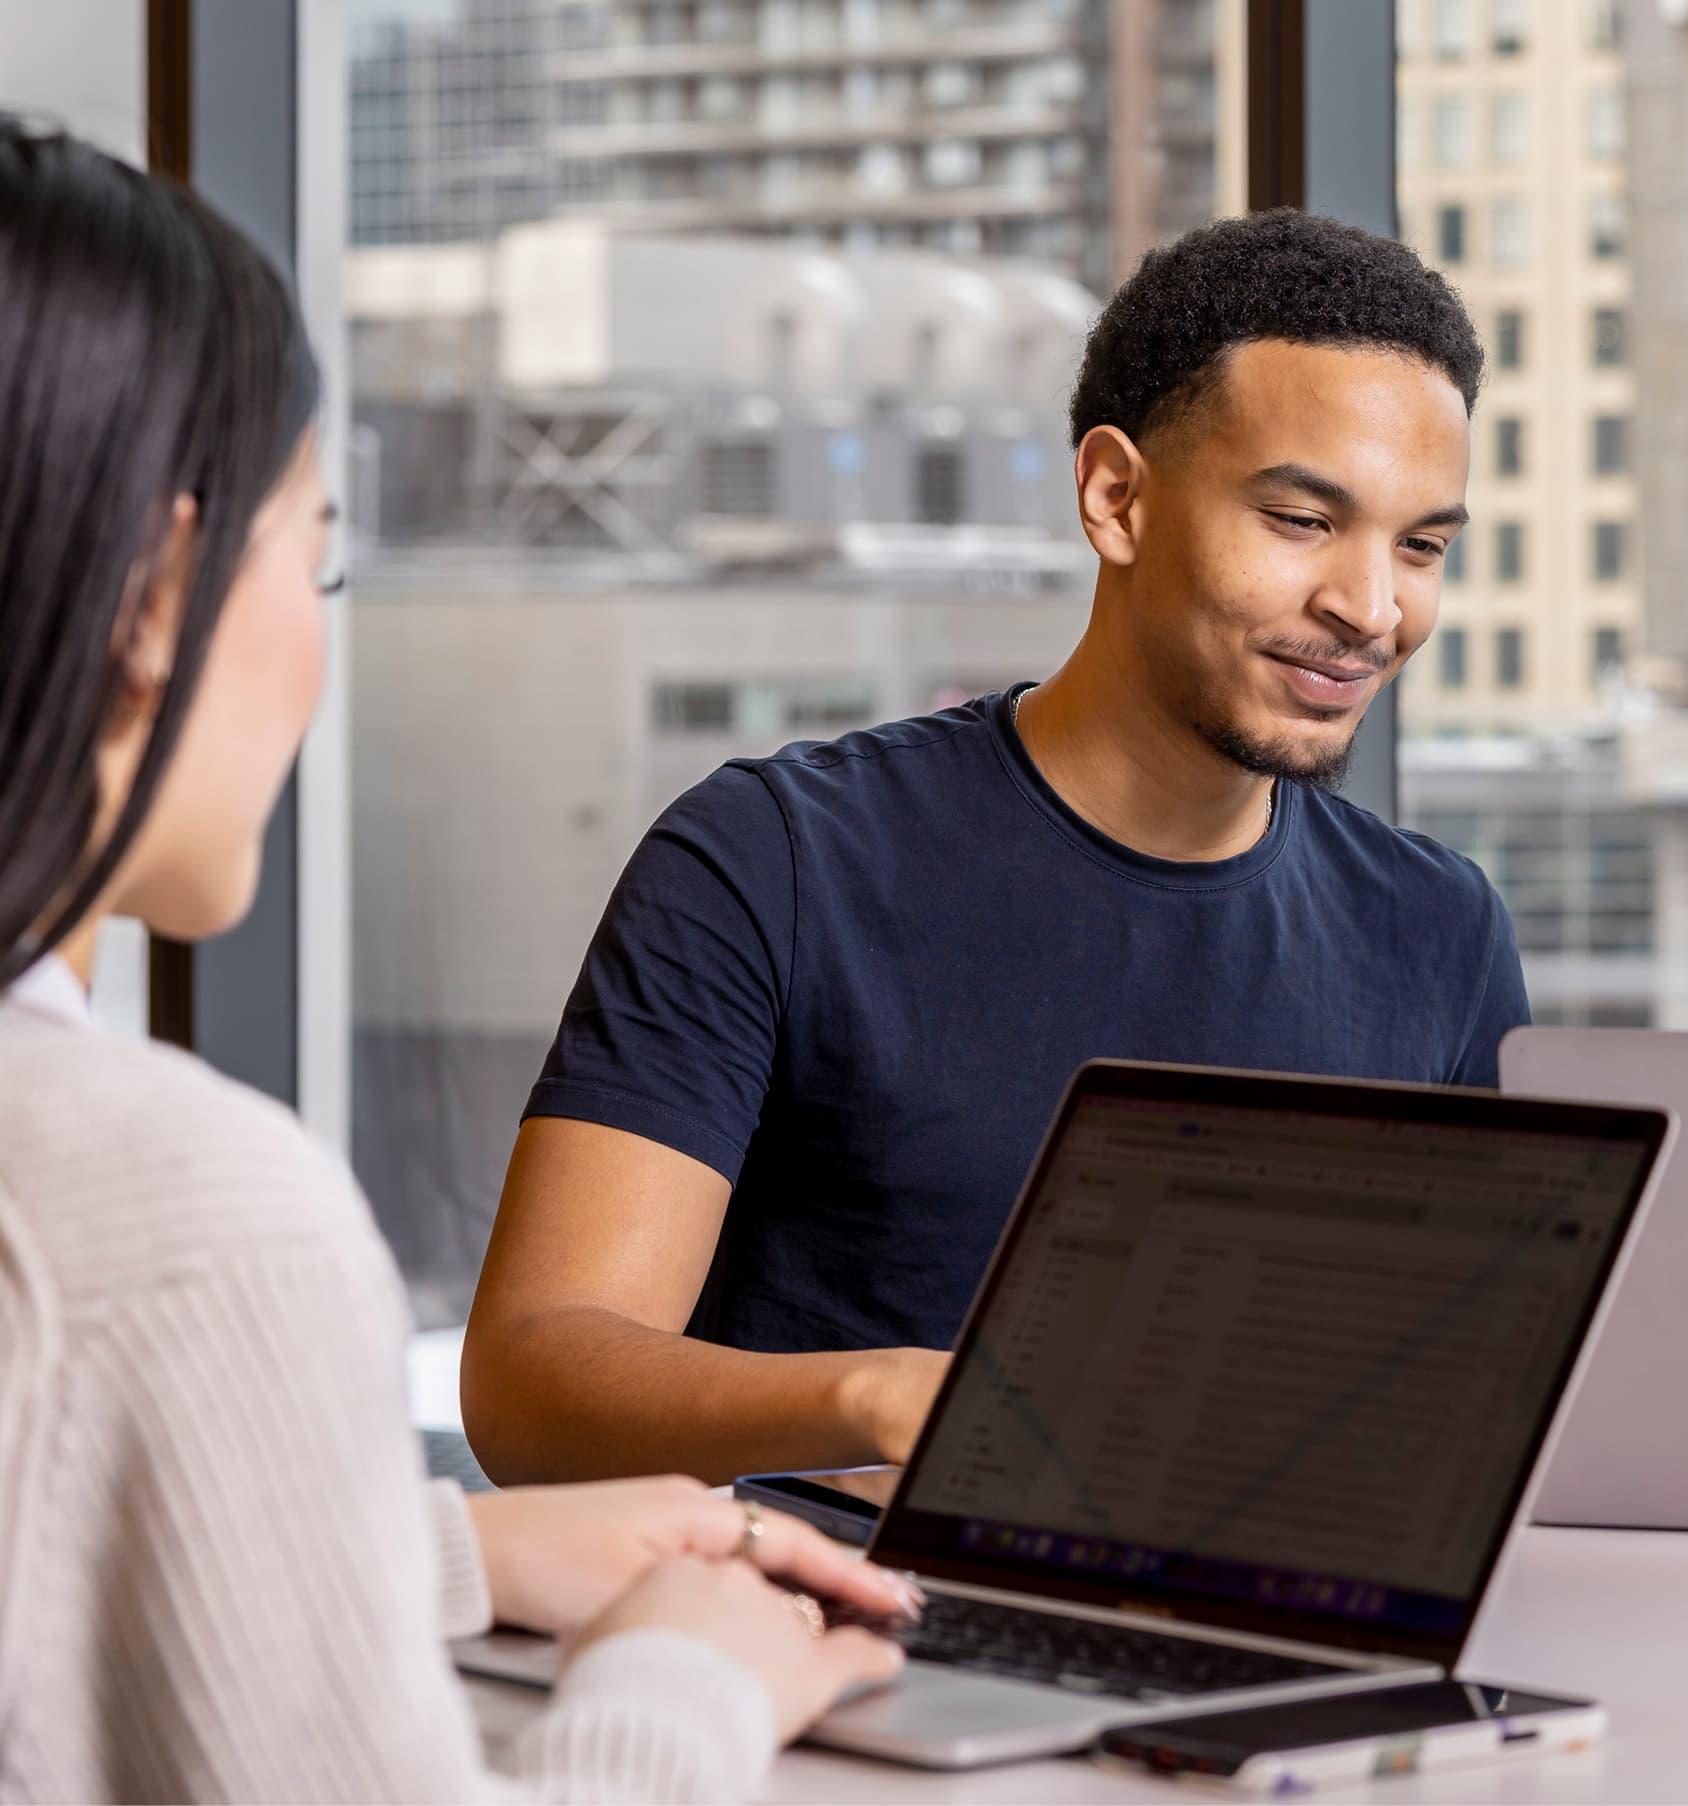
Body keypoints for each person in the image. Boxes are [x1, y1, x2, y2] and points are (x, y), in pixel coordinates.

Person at [0, 118, 914, 1800]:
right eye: (318, 555)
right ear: (155, 595)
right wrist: (679, 1683)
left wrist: (442, 1554)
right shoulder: (179, 1218)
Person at [463, 210, 1524, 1487]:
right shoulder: (775, 861)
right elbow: (532, 1382)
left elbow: (1485, 1406)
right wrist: (892, 1399)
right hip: (844, 1633)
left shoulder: (1441, 932)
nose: (1371, 608)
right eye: (1301, 520)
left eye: (1421, 547)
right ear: (1114, 495)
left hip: (1276, 1634)